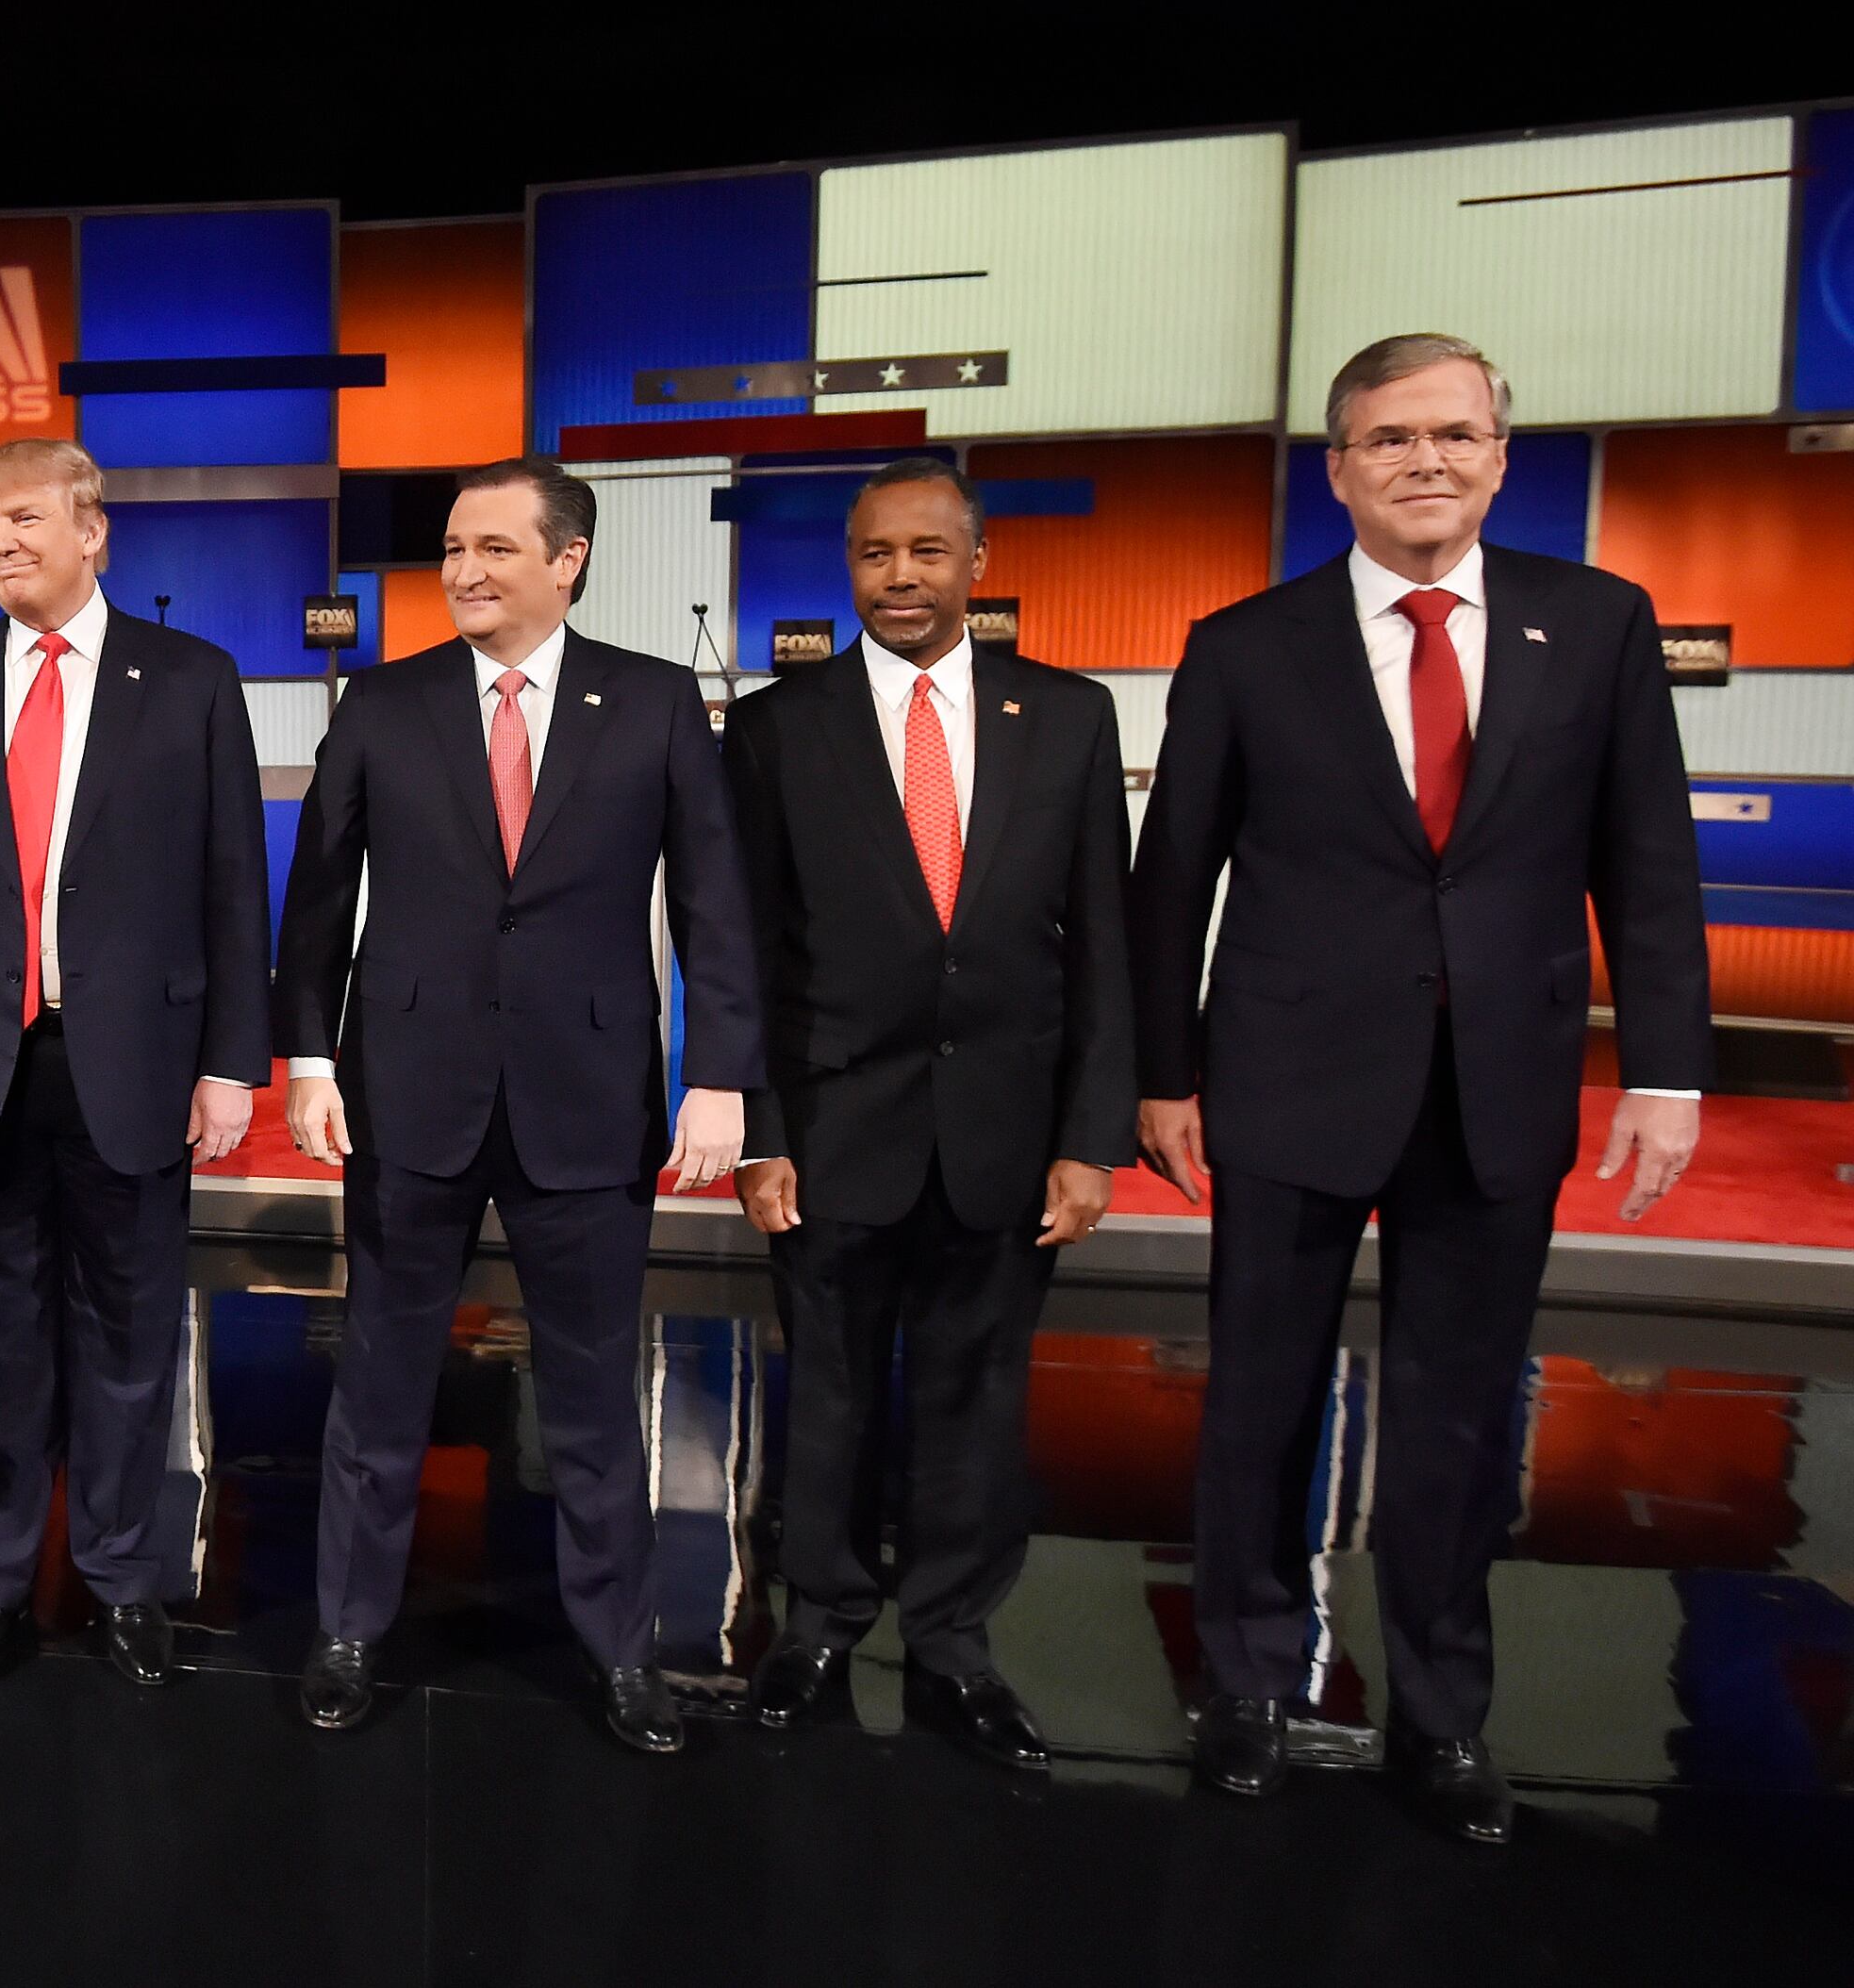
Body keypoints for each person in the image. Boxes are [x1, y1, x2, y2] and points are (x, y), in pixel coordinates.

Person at [1133, 333, 1711, 1841]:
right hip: (1286, 1075)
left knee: (1461, 1422)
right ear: (1339, 468)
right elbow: (1168, 881)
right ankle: (1252, 1683)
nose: (1426, 461)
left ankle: (1445, 1713)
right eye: (1389, 439)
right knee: (1258, 1398)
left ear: (1501, 454)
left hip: (1499, 1080)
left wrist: (1666, 1068)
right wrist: (1160, 1073)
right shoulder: (1247, 644)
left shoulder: (1596, 625)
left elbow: (1648, 863)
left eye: (1455, 433)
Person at [274, 454, 760, 1752]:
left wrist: (718, 1075)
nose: (466, 571)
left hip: (589, 1099)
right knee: (379, 1383)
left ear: (569, 558)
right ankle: (348, 1629)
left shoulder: (655, 704)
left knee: (599, 1397)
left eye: (494, 547)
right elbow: (318, 895)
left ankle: (620, 1654)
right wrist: (308, 1060)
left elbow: (715, 904)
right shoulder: (384, 701)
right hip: (409, 1092)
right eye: (452, 549)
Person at [720, 457, 1136, 1770]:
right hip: (836, 1125)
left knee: (977, 1396)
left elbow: (1105, 949)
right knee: (830, 1394)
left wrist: (1091, 1133)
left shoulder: (1067, 717)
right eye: (875, 555)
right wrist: (764, 1129)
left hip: (1008, 1132)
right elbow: (749, 954)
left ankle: (957, 1644)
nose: (900, 577)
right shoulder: (780, 727)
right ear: (849, 564)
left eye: (926, 552)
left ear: (976, 559)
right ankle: (821, 1624)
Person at [0, 438, 273, 1690]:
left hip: (139, 1060)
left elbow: (233, 882)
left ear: (96, 529)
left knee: (132, 1334)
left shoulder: (192, 679)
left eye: (22, 518)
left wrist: (230, 1061)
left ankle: (124, 1572)